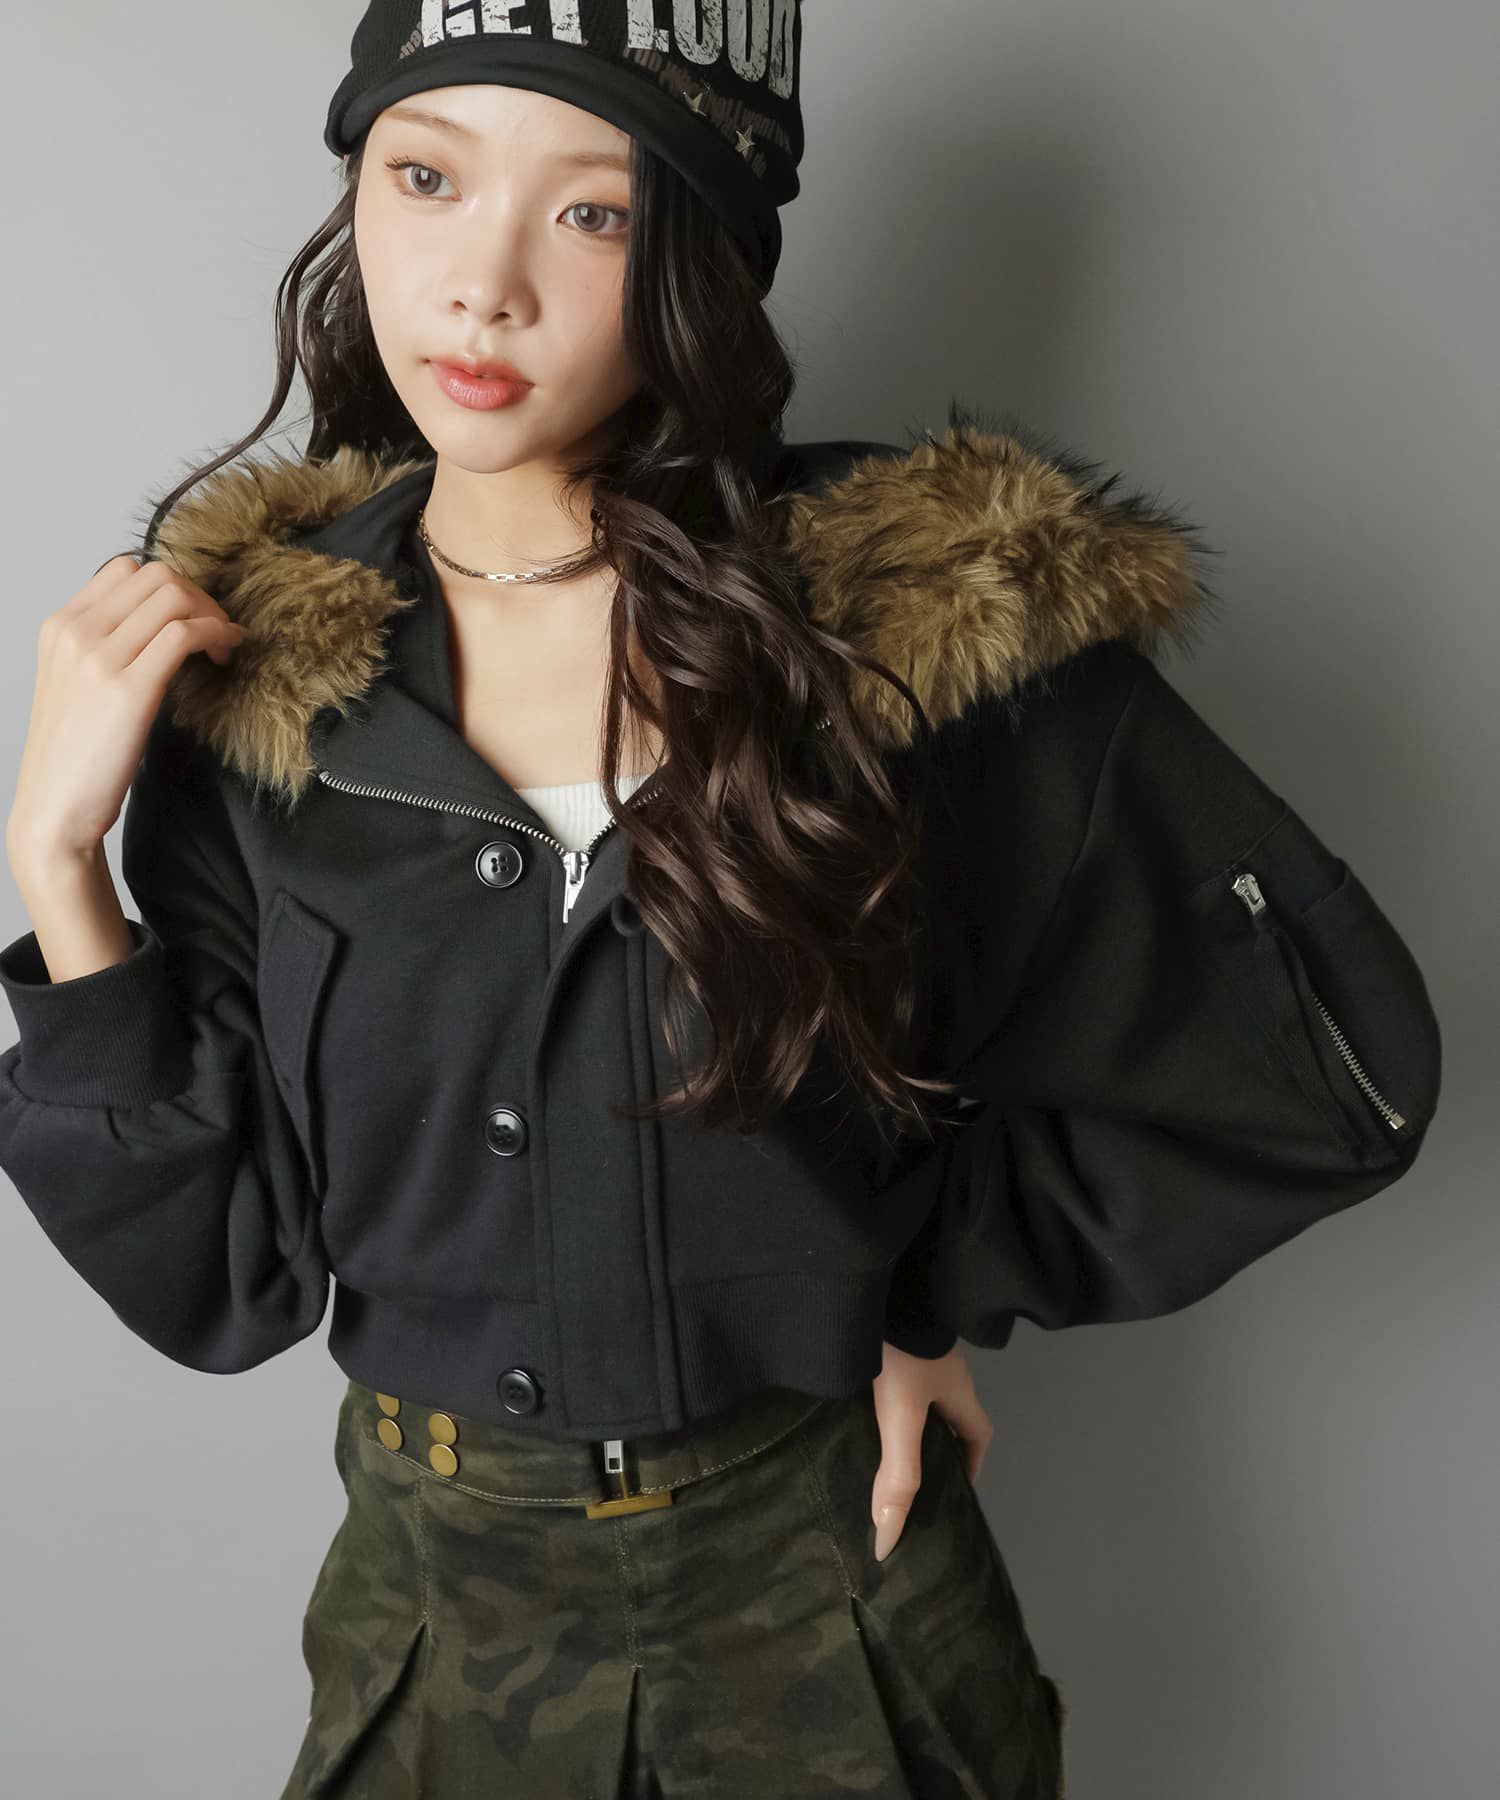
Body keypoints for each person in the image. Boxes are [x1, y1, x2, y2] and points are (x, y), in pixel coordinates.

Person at [0, 4, 1441, 1796]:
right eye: (427, 178)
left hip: (825, 1596)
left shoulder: (904, 638)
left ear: (698, 258)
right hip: (438, 1625)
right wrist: (61, 869)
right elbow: (222, 1281)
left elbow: (1324, 1070)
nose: (484, 287)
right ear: (354, 191)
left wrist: (925, 1288)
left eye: (591, 212)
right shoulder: (254, 683)